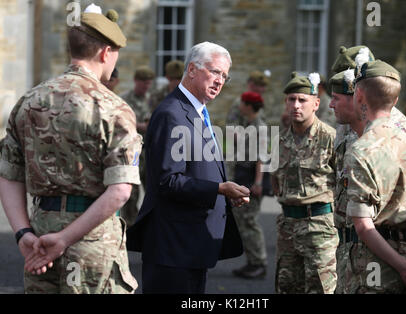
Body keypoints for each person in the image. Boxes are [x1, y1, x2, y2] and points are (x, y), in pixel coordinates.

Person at [0, 4, 141, 294]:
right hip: (91, 240)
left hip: (39, 235)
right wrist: (64, 239)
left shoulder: (29, 101)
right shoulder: (114, 108)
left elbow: (8, 175)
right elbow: (120, 191)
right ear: (105, 52)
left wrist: (23, 232)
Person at [126, 41, 251, 294]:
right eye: (215, 72)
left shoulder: (197, 111)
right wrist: (218, 189)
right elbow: (167, 180)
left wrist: (224, 190)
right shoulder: (171, 113)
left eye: (224, 76)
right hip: (173, 249)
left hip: (192, 246)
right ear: (192, 69)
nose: (220, 81)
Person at [343, 60, 406, 294]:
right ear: (395, 101)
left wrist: (404, 269)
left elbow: (364, 226)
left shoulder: (361, 150)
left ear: (359, 96)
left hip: (373, 265)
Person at [328, 46, 406, 293]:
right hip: (350, 239)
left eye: (350, 76)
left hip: (379, 242)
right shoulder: (347, 122)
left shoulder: (390, 123)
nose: (347, 83)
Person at [271, 72, 338, 294]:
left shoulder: (331, 138)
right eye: (291, 99)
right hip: (287, 228)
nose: (296, 105)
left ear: (316, 103)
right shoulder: (279, 140)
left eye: (302, 100)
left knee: (320, 289)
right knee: (286, 287)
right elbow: (276, 182)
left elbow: (344, 186)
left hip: (319, 227)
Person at [231, 91, 268, 279]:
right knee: (243, 221)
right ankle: (252, 261)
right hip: (243, 176)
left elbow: (261, 157)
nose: (239, 105)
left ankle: (259, 262)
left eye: (243, 102)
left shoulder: (259, 127)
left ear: (249, 106)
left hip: (251, 179)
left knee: (250, 221)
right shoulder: (248, 124)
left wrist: (258, 182)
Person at [120, 66, 155, 228]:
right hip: (132, 151)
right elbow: (122, 122)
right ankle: (130, 225)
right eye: (143, 83)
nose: (146, 87)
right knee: (131, 192)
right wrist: (141, 126)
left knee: (153, 189)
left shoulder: (151, 99)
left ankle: (150, 224)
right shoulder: (125, 99)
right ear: (136, 81)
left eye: (148, 84)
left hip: (148, 151)